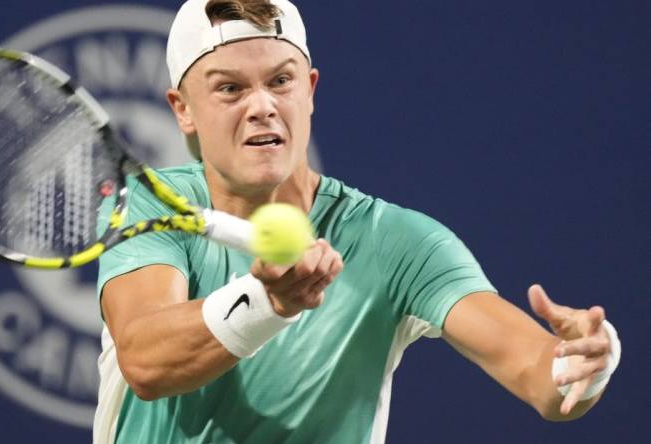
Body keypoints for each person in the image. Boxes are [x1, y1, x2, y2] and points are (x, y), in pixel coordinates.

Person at [93, 0, 621, 442]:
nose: (262, 107)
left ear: (310, 90)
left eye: (281, 81)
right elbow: (145, 360)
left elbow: (541, 377)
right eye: (229, 89)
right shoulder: (152, 204)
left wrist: (584, 366)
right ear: (182, 108)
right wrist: (267, 303)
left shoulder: (400, 243)